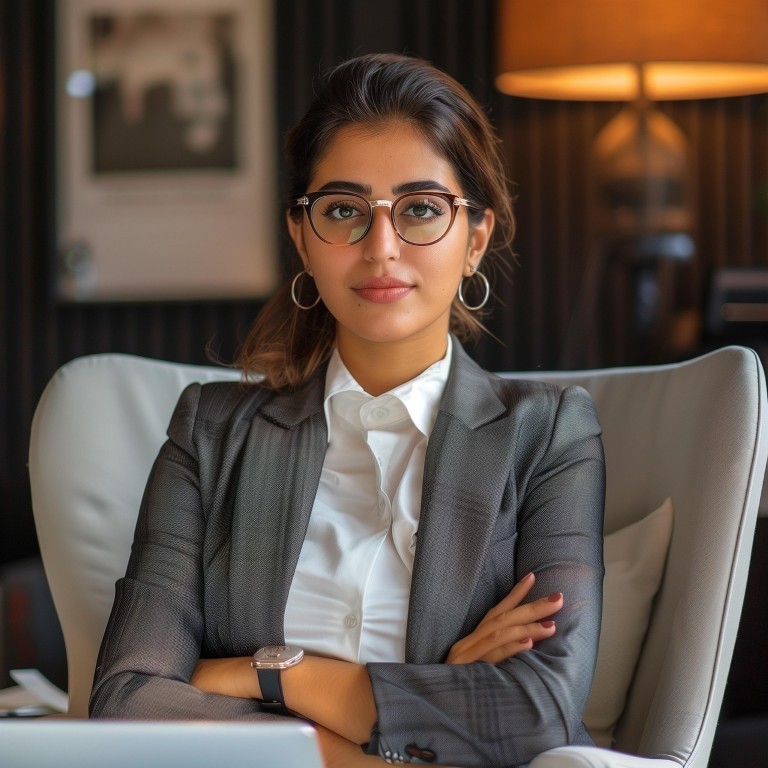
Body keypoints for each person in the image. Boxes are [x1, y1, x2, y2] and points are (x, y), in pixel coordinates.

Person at [89, 53, 605, 768]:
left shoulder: (549, 433)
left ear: (475, 238)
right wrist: (418, 710)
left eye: (421, 208)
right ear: (302, 237)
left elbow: (537, 716)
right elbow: (127, 703)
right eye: (342, 211)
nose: (381, 248)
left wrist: (268, 672)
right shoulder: (210, 433)